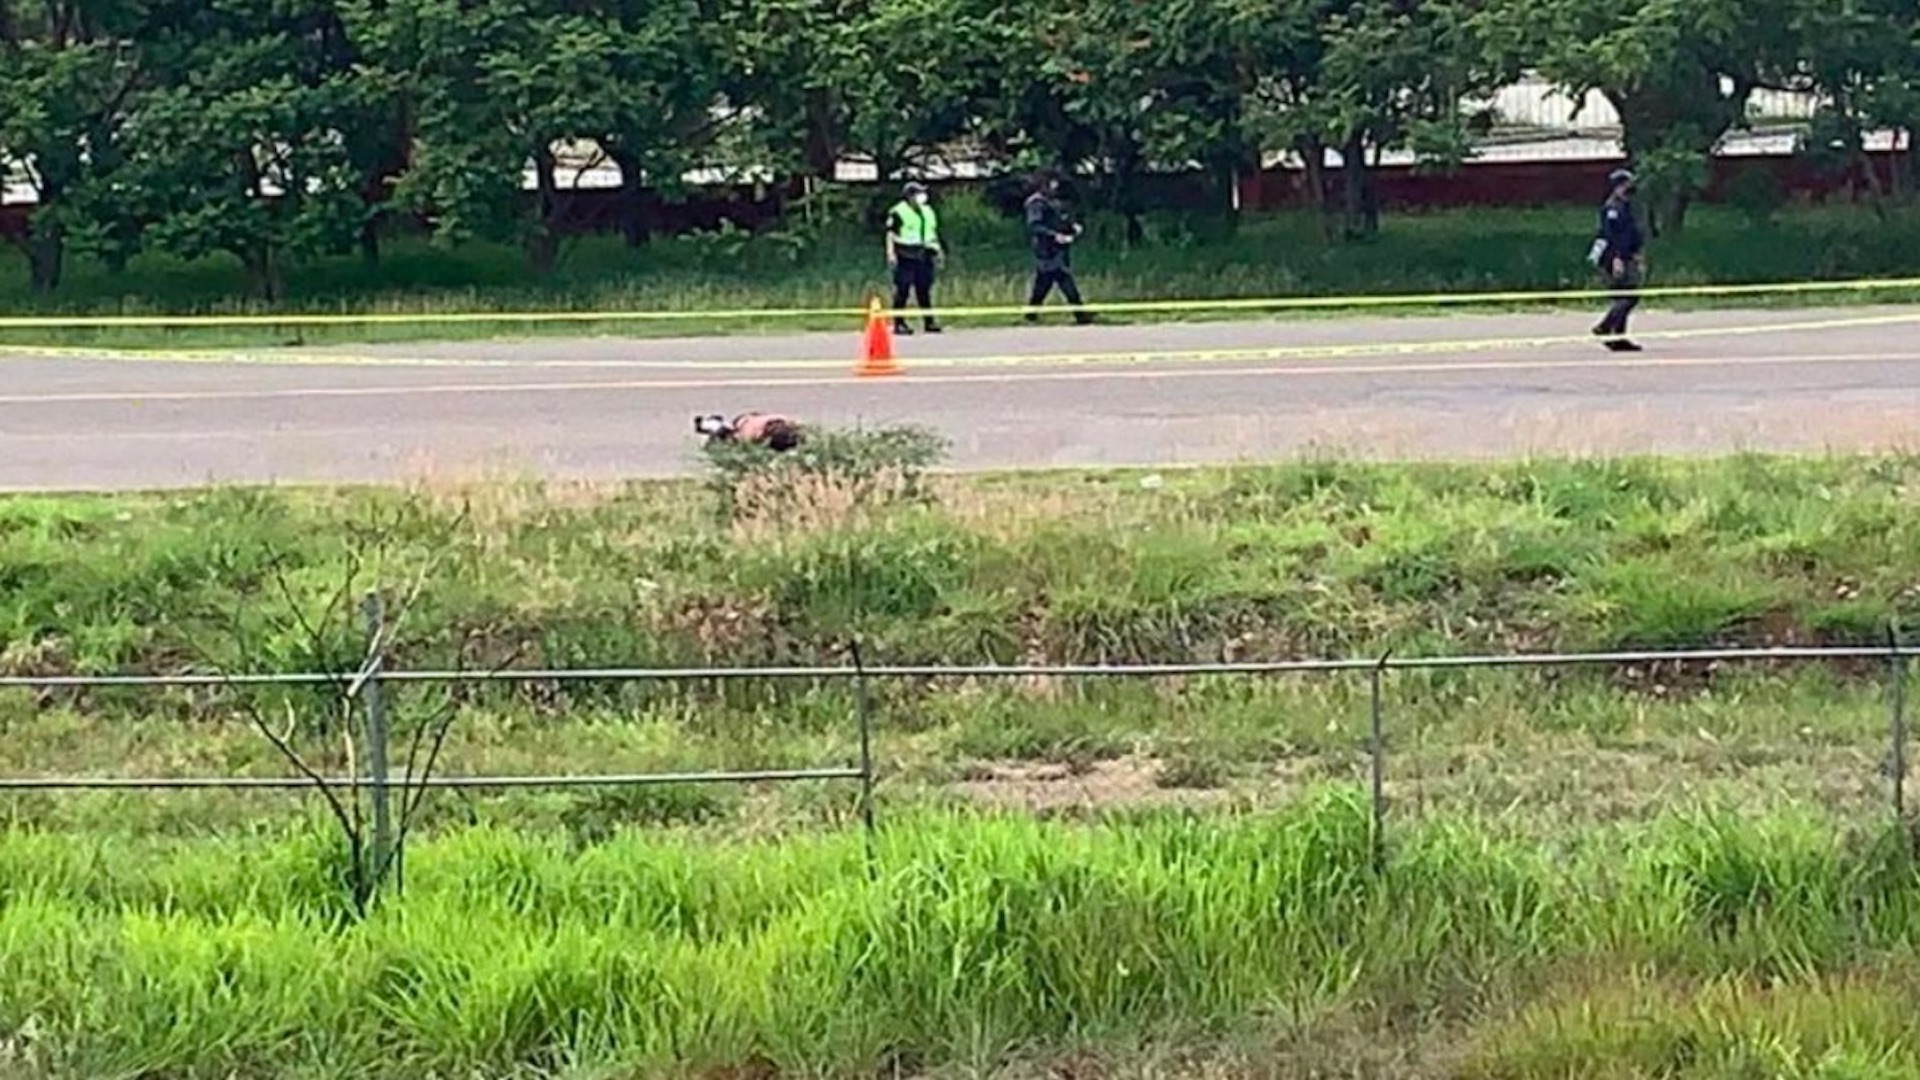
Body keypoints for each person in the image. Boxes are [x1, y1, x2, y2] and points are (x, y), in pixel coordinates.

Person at [1022, 171, 1094, 325]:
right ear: (1044, 184)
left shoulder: (1052, 202)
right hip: (1046, 250)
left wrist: (1071, 228)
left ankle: (1031, 313)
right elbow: (1035, 226)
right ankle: (1080, 314)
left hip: (1058, 249)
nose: (1056, 186)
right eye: (1053, 182)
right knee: (1063, 279)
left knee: (1043, 283)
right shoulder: (1036, 203)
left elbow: (1057, 222)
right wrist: (1054, 235)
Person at [1589, 167, 1646, 352]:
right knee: (1627, 296)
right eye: (1626, 184)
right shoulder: (1612, 208)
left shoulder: (1625, 205)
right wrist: (1616, 259)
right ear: (1617, 186)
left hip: (1626, 255)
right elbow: (1611, 236)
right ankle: (1606, 327)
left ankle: (1618, 337)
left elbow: (1631, 234)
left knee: (1626, 295)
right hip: (1615, 257)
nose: (1630, 188)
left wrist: (1637, 253)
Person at [886, 181, 942, 335]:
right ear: (909, 196)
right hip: (906, 254)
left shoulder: (927, 211)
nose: (921, 197)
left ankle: (929, 322)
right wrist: (891, 253)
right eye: (918, 193)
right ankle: (899, 323)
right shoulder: (898, 211)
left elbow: (932, 232)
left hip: (925, 252)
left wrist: (938, 251)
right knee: (903, 289)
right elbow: (891, 233)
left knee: (924, 289)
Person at [694, 411, 804, 452]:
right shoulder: (749, 430)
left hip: (757, 423)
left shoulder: (784, 421)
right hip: (745, 423)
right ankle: (713, 427)